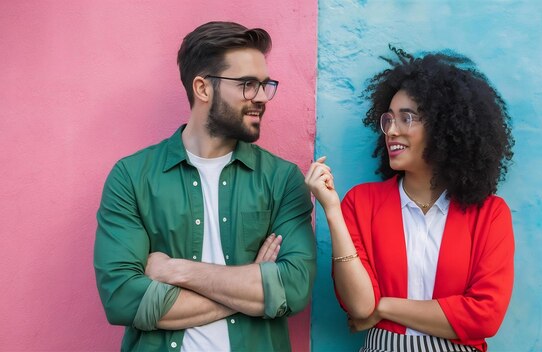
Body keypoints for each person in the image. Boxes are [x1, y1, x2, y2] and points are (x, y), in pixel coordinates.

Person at [94, 21, 316, 352]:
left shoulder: (281, 179)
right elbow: (123, 299)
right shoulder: (132, 177)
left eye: (264, 84)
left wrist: (176, 270)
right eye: (246, 84)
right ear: (202, 88)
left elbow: (294, 288)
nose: (260, 97)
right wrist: (253, 283)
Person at [306, 48, 515, 352]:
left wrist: (386, 307)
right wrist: (332, 210)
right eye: (388, 119)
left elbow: (485, 317)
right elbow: (361, 306)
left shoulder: (489, 214)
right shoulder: (361, 203)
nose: (391, 130)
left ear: (444, 126)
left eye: (407, 118)